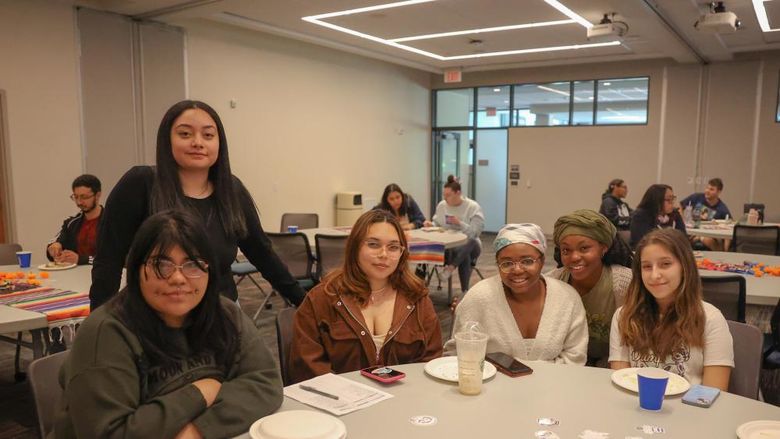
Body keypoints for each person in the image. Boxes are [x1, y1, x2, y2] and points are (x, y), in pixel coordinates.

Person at [53, 209, 283, 439]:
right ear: (136, 269)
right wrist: (201, 391)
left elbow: (265, 382)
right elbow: (111, 433)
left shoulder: (224, 313)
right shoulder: (106, 333)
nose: (178, 278)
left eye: (193, 264)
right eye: (161, 264)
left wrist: (197, 431)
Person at [90, 100, 305, 309]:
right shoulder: (140, 183)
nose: (198, 142)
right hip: (155, 318)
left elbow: (262, 253)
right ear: (167, 140)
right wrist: (99, 326)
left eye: (208, 135)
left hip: (222, 314)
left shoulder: (231, 190)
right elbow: (108, 260)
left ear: (219, 143)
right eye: (185, 134)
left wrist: (304, 302)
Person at [289, 209, 442, 383]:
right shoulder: (323, 298)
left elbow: (431, 361)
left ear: (401, 253)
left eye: (393, 247)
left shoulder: (417, 298)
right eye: (373, 244)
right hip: (339, 403)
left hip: (404, 401)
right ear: (355, 247)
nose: (383, 254)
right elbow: (307, 367)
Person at [444, 223, 588, 365]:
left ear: (542, 261)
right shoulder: (479, 297)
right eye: (507, 263)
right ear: (497, 264)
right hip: (491, 386)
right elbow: (456, 354)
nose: (517, 270)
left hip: (553, 386)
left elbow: (575, 357)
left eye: (527, 261)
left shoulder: (567, 298)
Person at [609, 228, 733, 390]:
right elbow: (621, 384)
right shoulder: (624, 316)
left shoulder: (710, 319)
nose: (655, 275)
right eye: (647, 267)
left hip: (691, 410)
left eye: (665, 264)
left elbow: (713, 392)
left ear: (684, 267)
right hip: (638, 407)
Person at [547, 210, 633, 366]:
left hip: (613, 366)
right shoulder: (552, 282)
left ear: (604, 248)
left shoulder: (624, 282)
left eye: (584, 248)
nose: (574, 257)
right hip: (567, 365)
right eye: (566, 250)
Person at [424, 175, 485, 294]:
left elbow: (475, 233)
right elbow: (437, 223)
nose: (445, 198)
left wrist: (460, 223)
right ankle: (464, 292)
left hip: (471, 246)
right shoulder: (442, 205)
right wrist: (431, 224)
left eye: (448, 195)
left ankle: (450, 268)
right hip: (449, 246)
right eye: (444, 195)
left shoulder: (473, 207)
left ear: (458, 193)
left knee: (469, 241)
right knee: (464, 257)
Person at [46, 174, 103, 265]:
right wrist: (54, 247)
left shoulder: (111, 222)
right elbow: (56, 241)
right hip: (75, 275)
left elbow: (119, 259)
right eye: (76, 197)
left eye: (84, 197)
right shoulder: (72, 223)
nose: (79, 202)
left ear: (97, 195)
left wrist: (81, 259)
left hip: (103, 275)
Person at [629, 184, 686, 248]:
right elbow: (643, 242)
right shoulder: (641, 216)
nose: (672, 202)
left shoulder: (675, 214)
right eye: (668, 199)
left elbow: (683, 238)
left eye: (673, 198)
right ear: (657, 200)